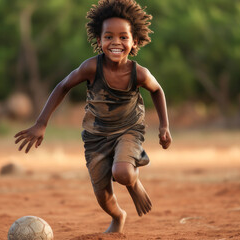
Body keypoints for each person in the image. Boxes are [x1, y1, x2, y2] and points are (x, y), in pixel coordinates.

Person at [14, 0, 172, 233]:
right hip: (96, 136)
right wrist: (41, 123)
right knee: (102, 196)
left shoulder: (139, 73)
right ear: (99, 41)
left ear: (134, 41)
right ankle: (118, 217)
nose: (116, 42)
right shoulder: (90, 68)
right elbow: (63, 86)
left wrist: (164, 127)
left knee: (123, 172)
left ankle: (133, 181)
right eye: (108, 37)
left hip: (129, 129)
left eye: (123, 37)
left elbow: (158, 90)